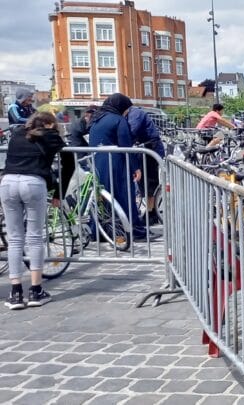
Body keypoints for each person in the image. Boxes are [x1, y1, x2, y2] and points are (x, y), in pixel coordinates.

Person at [1, 112, 73, 309]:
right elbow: (70, 163)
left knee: (15, 239)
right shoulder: (50, 136)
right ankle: (35, 290)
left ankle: (15, 292)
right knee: (34, 237)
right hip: (33, 182)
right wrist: (59, 192)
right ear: (49, 124)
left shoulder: (17, 133)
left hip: (7, 182)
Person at [88, 93, 156, 241]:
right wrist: (135, 168)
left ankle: (101, 231)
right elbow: (126, 146)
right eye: (126, 109)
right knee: (123, 195)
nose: (127, 112)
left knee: (102, 197)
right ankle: (132, 230)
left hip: (97, 163)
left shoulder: (96, 120)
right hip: (116, 163)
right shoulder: (118, 120)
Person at [126, 106, 166, 225]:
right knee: (144, 182)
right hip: (145, 148)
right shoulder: (132, 113)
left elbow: (132, 130)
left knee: (149, 181)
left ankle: (151, 213)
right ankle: (150, 211)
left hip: (150, 148)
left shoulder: (135, 113)